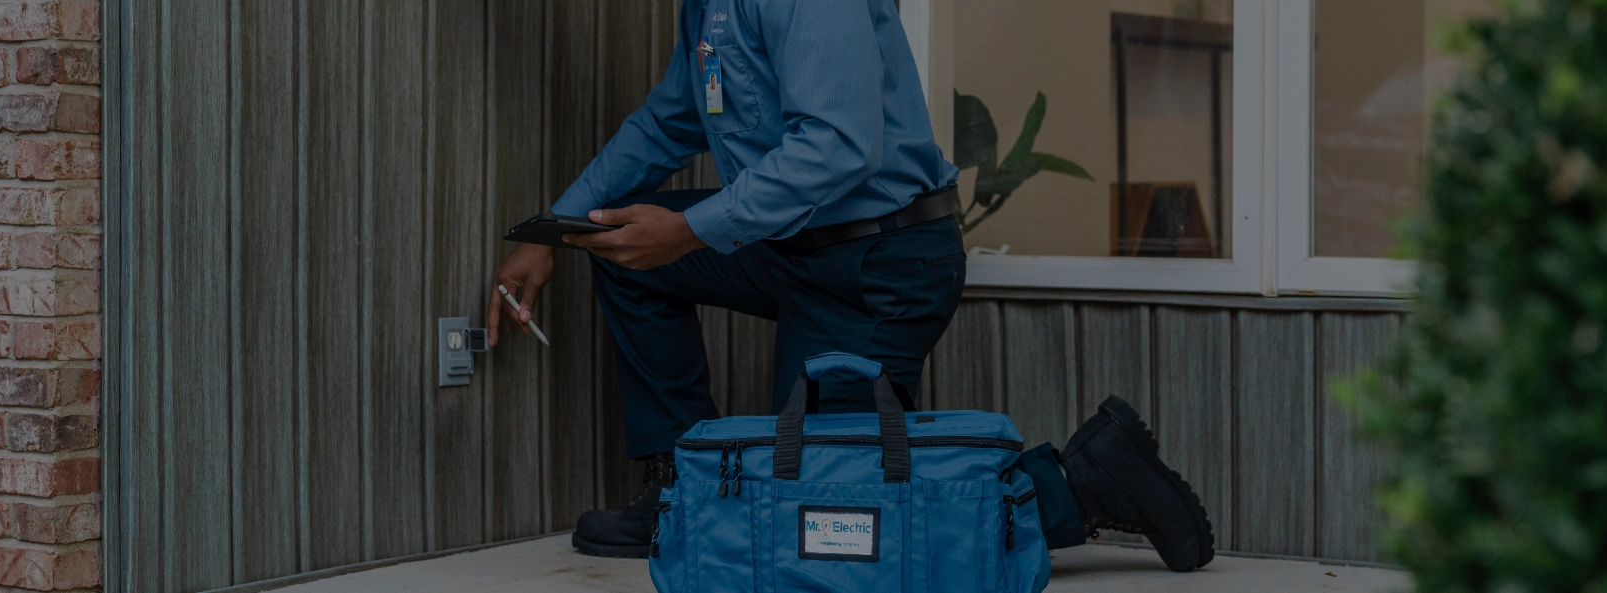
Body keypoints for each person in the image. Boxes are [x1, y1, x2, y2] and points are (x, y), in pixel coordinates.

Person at [488, 0, 1215, 573]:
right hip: (787, 248)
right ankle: (688, 493)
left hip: (881, 263)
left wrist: (688, 230)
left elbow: (839, 142)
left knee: (829, 531)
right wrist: (555, 227)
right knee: (618, 246)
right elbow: (668, 120)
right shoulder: (706, 4)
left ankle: (1084, 481)